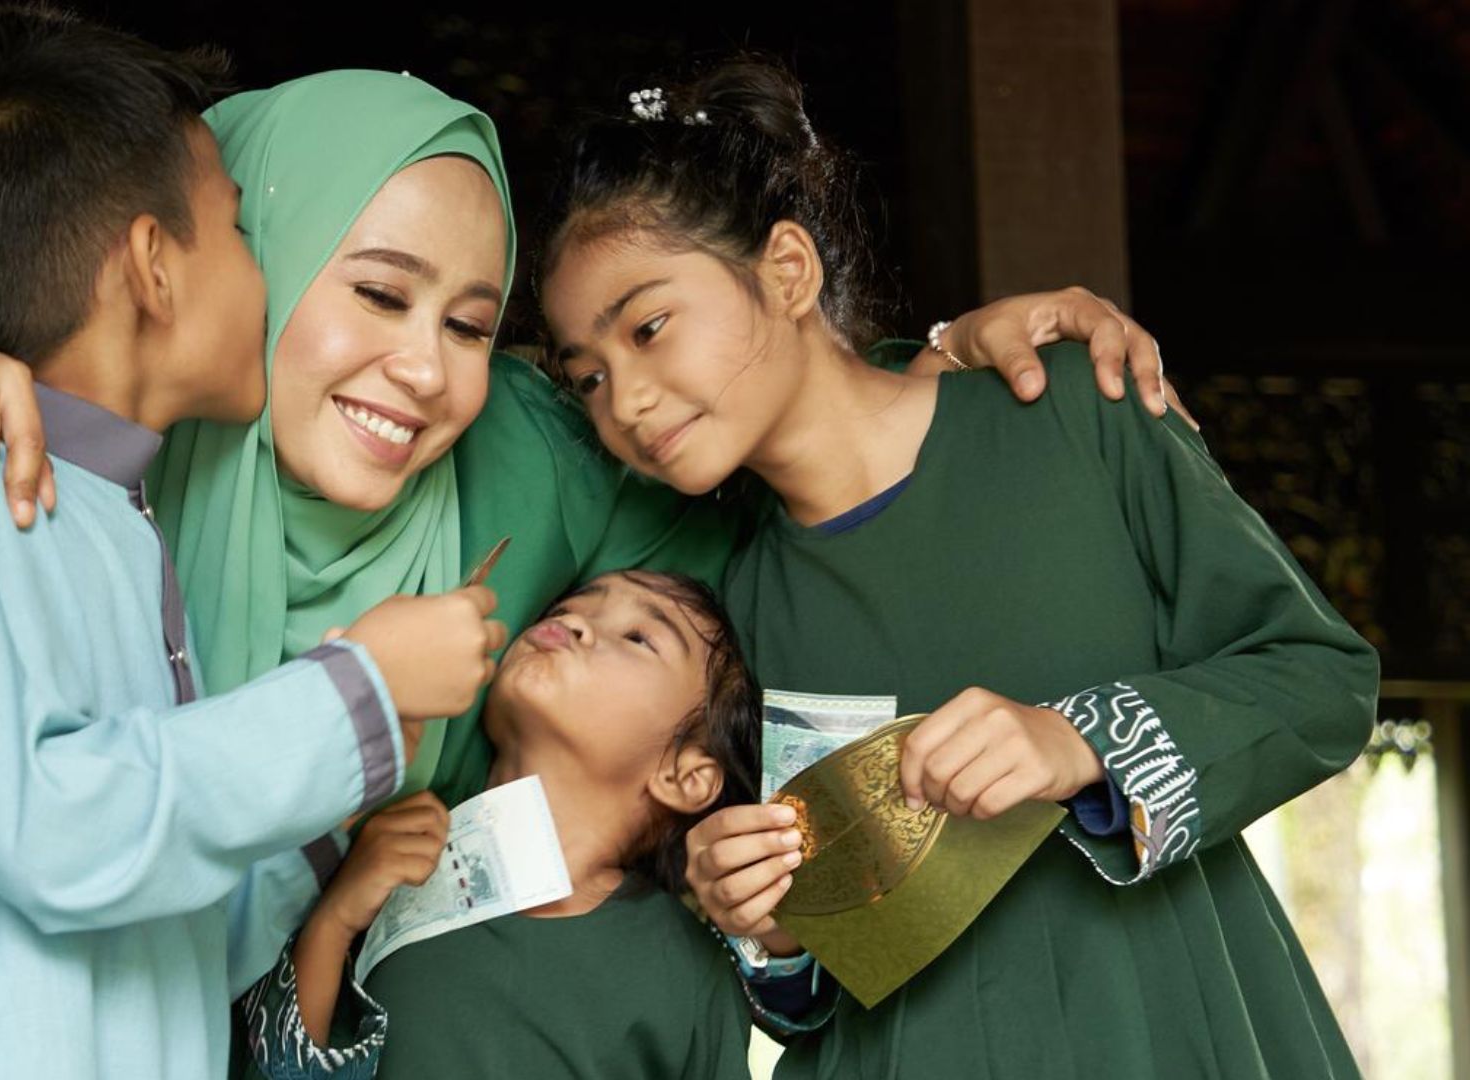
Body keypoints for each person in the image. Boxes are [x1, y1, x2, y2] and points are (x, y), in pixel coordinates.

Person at [0, 55, 1180, 997]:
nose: (423, 374)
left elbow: (771, 484)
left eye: (472, 320)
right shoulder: (55, 455)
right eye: (372, 293)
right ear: (209, 255)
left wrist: (938, 378)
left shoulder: (527, 454)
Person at [539, 58, 1380, 1079]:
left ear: (787, 272)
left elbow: (1324, 679)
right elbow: (818, 985)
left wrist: (1077, 740)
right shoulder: (732, 606)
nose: (622, 398)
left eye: (649, 326)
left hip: (1166, 1030)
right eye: (587, 375)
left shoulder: (1072, 412)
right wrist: (766, 927)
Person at [0, 6, 500, 1075]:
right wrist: (358, 687)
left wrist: (328, 838)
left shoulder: (104, 521)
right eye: (239, 233)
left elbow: (149, 931)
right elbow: (54, 832)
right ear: (153, 264)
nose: (262, 273)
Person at [250, 570, 763, 1080]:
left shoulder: (690, 975)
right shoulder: (390, 870)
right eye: (570, 603)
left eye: (638, 638)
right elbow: (284, 1072)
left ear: (686, 776)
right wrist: (334, 922)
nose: (576, 621)